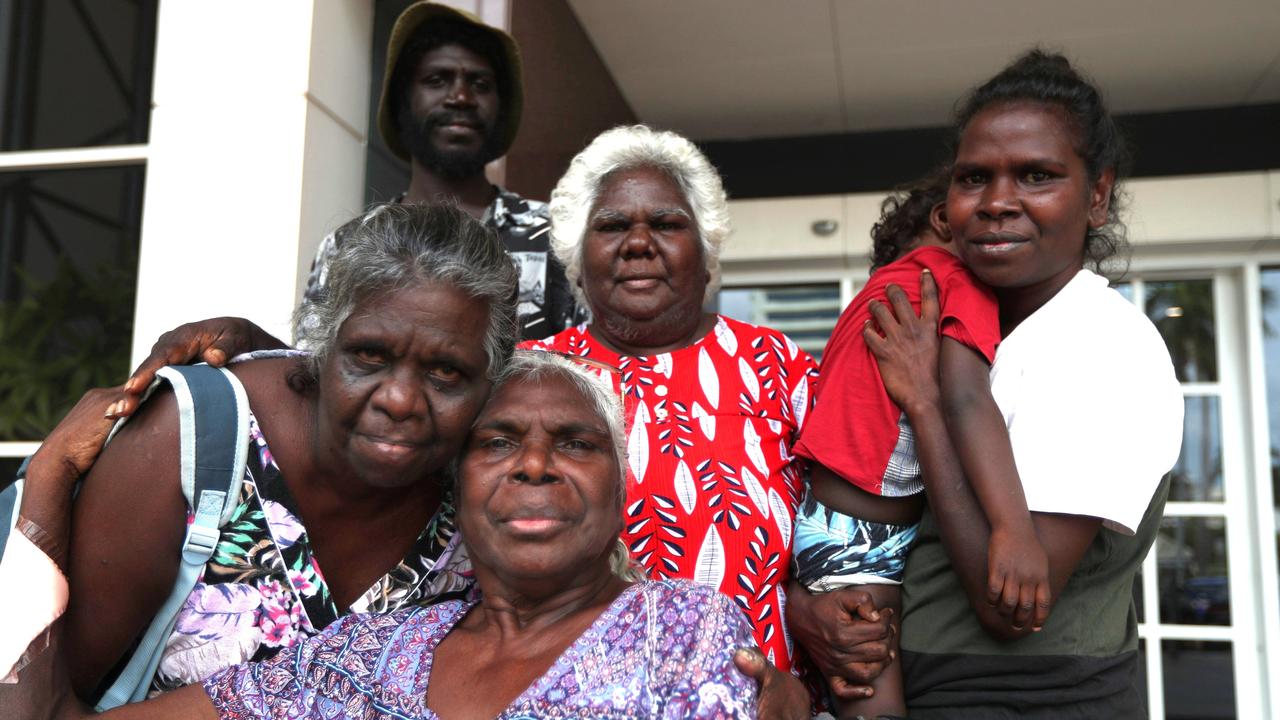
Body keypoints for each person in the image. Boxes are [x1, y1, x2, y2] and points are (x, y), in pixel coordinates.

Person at [6, 352, 763, 719]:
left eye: (576, 442)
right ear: (454, 487)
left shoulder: (687, 633)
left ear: (621, 484)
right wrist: (45, 486)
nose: (535, 465)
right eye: (497, 442)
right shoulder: (368, 657)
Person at [788, 50, 1184, 718]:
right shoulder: (962, 326)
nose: (998, 202)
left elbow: (1010, 608)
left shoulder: (1102, 345)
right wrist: (812, 605)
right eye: (975, 178)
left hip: (1032, 699)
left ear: (1096, 194)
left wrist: (927, 401)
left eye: (1036, 175)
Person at [6, 204, 518, 704]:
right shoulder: (195, 439)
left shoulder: (490, 495)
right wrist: (52, 470)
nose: (400, 400)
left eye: (445, 372)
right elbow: (40, 701)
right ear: (324, 346)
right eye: (369, 355)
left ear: (490, 384)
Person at [522, 124, 834, 674]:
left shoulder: (778, 366)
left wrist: (813, 601)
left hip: (757, 699)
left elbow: (834, 527)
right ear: (577, 253)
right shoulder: (529, 376)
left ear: (706, 247)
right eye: (613, 225)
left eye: (666, 224)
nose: (639, 243)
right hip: (571, 692)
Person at [790, 169, 1044, 718]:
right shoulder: (948, 278)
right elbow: (966, 399)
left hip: (836, 518)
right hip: (861, 536)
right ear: (943, 221)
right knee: (873, 702)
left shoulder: (869, 298)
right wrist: (1013, 527)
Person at [305, 1, 582, 341]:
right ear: (403, 100)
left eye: (480, 84)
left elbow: (589, 373)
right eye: (437, 80)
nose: (461, 97)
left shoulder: (554, 236)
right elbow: (312, 370)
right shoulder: (349, 243)